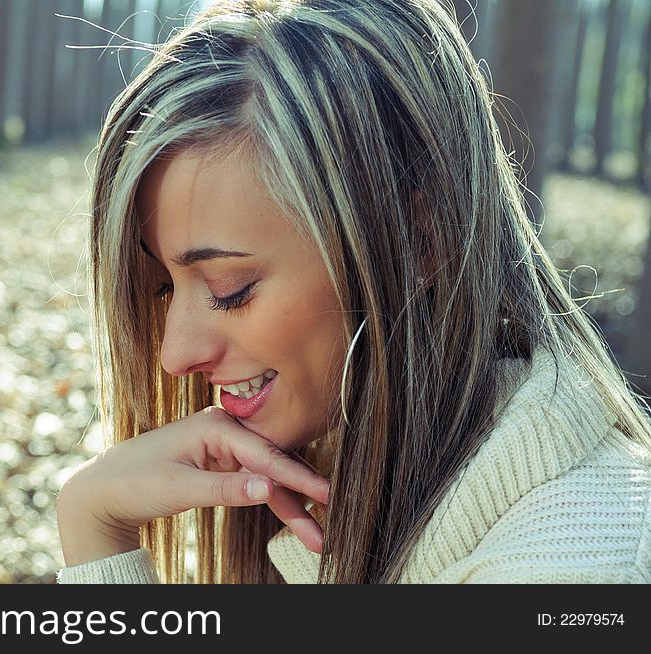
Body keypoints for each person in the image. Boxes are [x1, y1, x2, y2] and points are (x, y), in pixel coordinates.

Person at [55, 0, 651, 584]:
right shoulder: (350, 484)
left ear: (419, 243)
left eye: (228, 288)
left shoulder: (578, 566)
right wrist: (93, 519)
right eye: (164, 288)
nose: (174, 355)